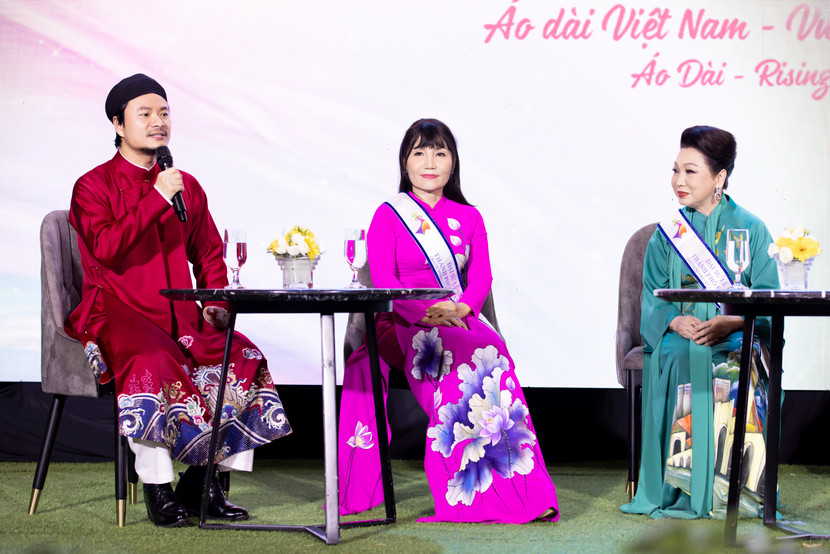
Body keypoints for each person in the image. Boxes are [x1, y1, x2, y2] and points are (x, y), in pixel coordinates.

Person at [66, 74, 292, 527]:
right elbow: (106, 248)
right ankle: (157, 488)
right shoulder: (92, 186)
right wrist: (155, 198)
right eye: (145, 114)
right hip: (119, 310)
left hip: (181, 314)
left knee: (242, 355)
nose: (158, 122)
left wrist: (215, 304)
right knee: (151, 360)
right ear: (118, 124)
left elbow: (207, 251)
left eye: (164, 112)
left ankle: (203, 483)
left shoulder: (184, 183)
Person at [338, 118, 558, 523]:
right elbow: (384, 281)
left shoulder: (470, 217)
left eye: (440, 152)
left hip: (458, 316)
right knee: (454, 354)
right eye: (419, 152)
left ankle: (521, 489)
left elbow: (481, 279)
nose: (430, 162)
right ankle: (468, 492)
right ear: (404, 162)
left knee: (492, 353)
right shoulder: (388, 215)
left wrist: (460, 309)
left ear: (453, 162)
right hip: (403, 322)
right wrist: (425, 313)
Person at [621, 125, 780, 519]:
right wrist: (675, 321)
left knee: (740, 361)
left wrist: (733, 323)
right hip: (683, 335)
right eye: (676, 170)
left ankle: (736, 490)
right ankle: (681, 487)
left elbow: (767, 299)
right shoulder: (668, 236)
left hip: (736, 334)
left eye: (690, 172)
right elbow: (652, 296)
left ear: (719, 177)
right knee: (677, 353)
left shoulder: (752, 229)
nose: (679, 181)